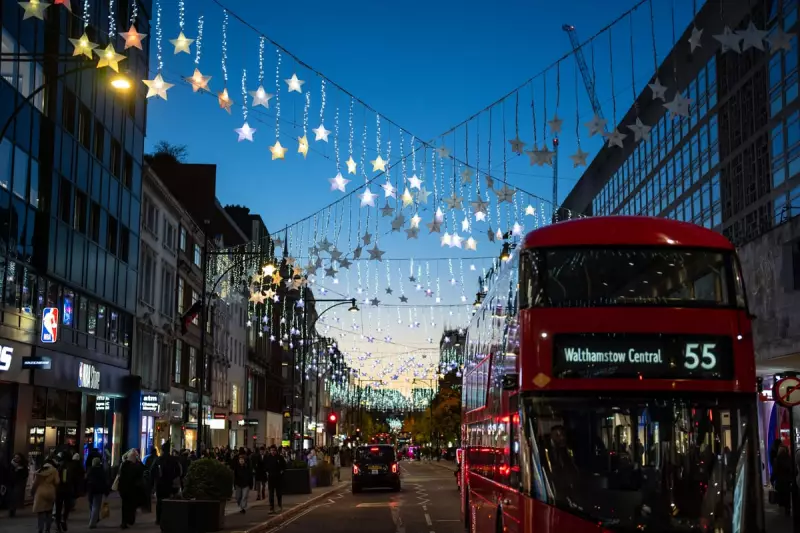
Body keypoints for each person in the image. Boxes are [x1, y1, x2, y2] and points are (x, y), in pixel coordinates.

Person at [151, 443, 182, 525]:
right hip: (169, 483)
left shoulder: (158, 460)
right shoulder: (173, 460)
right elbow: (178, 471)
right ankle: (168, 518)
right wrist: (173, 477)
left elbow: (152, 471)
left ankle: (158, 519)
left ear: (162, 450)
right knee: (169, 500)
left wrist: (155, 480)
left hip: (160, 484)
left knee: (159, 501)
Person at [118, 449, 146, 529]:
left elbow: (120, 477)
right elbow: (142, 470)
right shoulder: (135, 466)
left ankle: (124, 522)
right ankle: (130, 520)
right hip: (132, 489)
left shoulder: (123, 465)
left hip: (124, 489)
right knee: (131, 506)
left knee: (124, 506)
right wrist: (139, 461)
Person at [32, 458, 60, 533]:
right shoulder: (54, 470)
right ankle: (47, 529)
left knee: (40, 512)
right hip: (50, 492)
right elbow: (57, 482)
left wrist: (33, 492)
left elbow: (35, 483)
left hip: (40, 492)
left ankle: (40, 529)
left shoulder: (39, 471)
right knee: (49, 511)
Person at [54, 452, 76, 532]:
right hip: (68, 489)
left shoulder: (60, 466)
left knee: (58, 508)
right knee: (67, 507)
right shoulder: (71, 466)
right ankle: (64, 519)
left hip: (60, 489)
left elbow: (59, 479)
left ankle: (58, 524)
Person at [85, 457, 109, 529]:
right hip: (98, 491)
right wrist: (106, 492)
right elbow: (105, 482)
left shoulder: (90, 470)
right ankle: (93, 522)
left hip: (91, 491)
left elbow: (86, 480)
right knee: (96, 506)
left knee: (91, 505)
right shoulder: (102, 471)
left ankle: (93, 520)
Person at [265, 444, 287, 514]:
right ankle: (271, 507)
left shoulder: (280, 457)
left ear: (276, 451)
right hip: (271, 477)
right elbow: (265, 466)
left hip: (278, 477)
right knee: (271, 493)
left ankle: (279, 504)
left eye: (274, 450)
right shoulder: (268, 458)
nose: (272, 452)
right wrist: (267, 472)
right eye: (271, 450)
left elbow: (284, 466)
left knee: (278, 493)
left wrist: (282, 471)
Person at [8, 453, 29, 517]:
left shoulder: (23, 466)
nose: (16, 459)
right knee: (10, 497)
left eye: (18, 457)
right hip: (11, 483)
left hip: (18, 483)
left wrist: (19, 470)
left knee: (15, 496)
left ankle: (12, 510)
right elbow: (8, 473)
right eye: (15, 457)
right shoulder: (11, 464)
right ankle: (11, 509)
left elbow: (25, 475)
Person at [775, 445, 794, 516]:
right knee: (787, 494)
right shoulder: (789, 458)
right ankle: (787, 508)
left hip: (780, 480)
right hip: (787, 480)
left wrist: (773, 478)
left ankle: (782, 507)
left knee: (781, 494)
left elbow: (775, 470)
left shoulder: (777, 459)